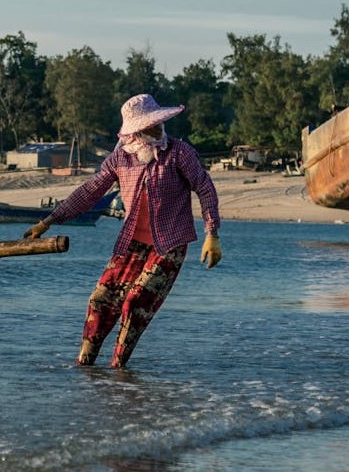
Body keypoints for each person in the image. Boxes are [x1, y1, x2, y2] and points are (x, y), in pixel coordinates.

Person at [24, 94, 222, 368]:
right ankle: (85, 366)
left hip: (168, 245)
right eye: (150, 126)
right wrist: (49, 221)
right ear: (135, 132)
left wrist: (212, 234)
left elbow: (205, 188)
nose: (157, 129)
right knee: (100, 300)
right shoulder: (121, 159)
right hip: (132, 245)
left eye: (158, 123)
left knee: (134, 302)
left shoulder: (178, 153)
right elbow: (90, 192)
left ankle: (118, 368)